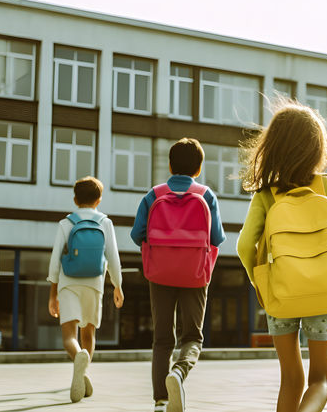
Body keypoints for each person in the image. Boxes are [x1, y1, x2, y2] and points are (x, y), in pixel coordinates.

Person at [236, 100, 327, 412]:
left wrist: (261, 284)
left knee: (290, 378)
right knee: (320, 380)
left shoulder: (266, 194)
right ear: (317, 147)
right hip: (324, 294)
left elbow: (245, 245)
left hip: (282, 294)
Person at [132, 138, 226, 412]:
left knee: (162, 338)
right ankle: (179, 373)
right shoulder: (206, 195)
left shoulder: (154, 195)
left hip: (159, 274)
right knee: (193, 337)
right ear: (198, 169)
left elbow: (137, 234)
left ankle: (161, 399)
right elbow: (217, 238)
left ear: (170, 165)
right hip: (196, 274)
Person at [48, 176, 124, 403]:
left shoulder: (66, 223)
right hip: (95, 283)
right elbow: (113, 257)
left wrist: (53, 294)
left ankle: (78, 360)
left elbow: (54, 261)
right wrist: (117, 285)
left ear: (75, 199)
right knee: (88, 333)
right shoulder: (105, 223)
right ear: (99, 199)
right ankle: (84, 372)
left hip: (68, 282)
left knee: (69, 337)